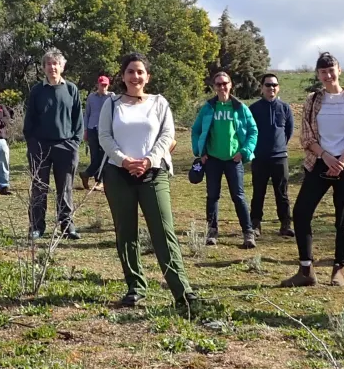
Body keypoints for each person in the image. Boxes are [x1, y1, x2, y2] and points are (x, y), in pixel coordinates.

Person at [99, 53, 199, 310]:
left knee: (164, 232)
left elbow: (168, 135)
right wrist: (124, 161)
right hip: (118, 174)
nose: (135, 76)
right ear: (123, 76)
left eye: (140, 72)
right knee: (126, 232)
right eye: (130, 71)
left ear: (147, 76)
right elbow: (104, 137)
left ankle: (182, 292)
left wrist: (149, 160)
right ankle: (135, 287)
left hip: (154, 173)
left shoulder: (159, 103)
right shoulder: (111, 105)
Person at [282, 52, 344, 288]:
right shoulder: (313, 100)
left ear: (339, 70)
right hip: (320, 162)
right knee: (301, 212)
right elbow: (307, 135)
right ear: (318, 74)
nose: (328, 75)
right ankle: (306, 269)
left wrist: (341, 159)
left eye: (331, 70)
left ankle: (339, 268)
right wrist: (326, 156)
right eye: (323, 72)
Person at [191, 70, 258, 248]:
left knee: (238, 196)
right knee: (212, 196)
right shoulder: (208, 107)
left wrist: (244, 151)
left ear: (230, 85)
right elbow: (196, 130)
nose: (222, 87)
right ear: (214, 87)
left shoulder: (240, 108)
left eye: (225, 83)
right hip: (212, 159)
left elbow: (253, 131)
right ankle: (212, 232)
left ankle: (248, 233)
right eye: (218, 84)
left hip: (233, 160)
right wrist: (200, 151)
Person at [23, 49, 84, 241]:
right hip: (40, 147)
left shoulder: (71, 89)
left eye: (55, 63)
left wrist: (74, 143)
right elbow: (29, 122)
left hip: (66, 146)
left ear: (62, 66)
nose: (52, 67)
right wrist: (33, 145)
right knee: (39, 188)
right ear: (44, 68)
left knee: (65, 188)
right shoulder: (37, 91)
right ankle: (37, 227)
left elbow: (78, 121)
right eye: (48, 64)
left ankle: (67, 225)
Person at [248, 73, 294, 239]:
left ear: (278, 87)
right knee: (258, 192)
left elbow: (289, 131)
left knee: (282, 193)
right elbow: (249, 132)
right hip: (259, 158)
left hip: (280, 157)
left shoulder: (285, 108)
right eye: (268, 85)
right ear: (262, 88)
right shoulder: (253, 109)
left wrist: (279, 147)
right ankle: (254, 225)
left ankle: (285, 224)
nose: (271, 88)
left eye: (274, 85)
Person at [81, 75, 113, 190]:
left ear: (108, 85)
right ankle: (97, 180)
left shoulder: (112, 97)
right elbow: (87, 114)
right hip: (92, 129)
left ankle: (90, 176)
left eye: (105, 85)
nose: (103, 87)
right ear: (97, 85)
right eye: (101, 85)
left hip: (105, 130)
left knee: (104, 156)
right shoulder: (91, 97)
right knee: (95, 156)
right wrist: (85, 130)